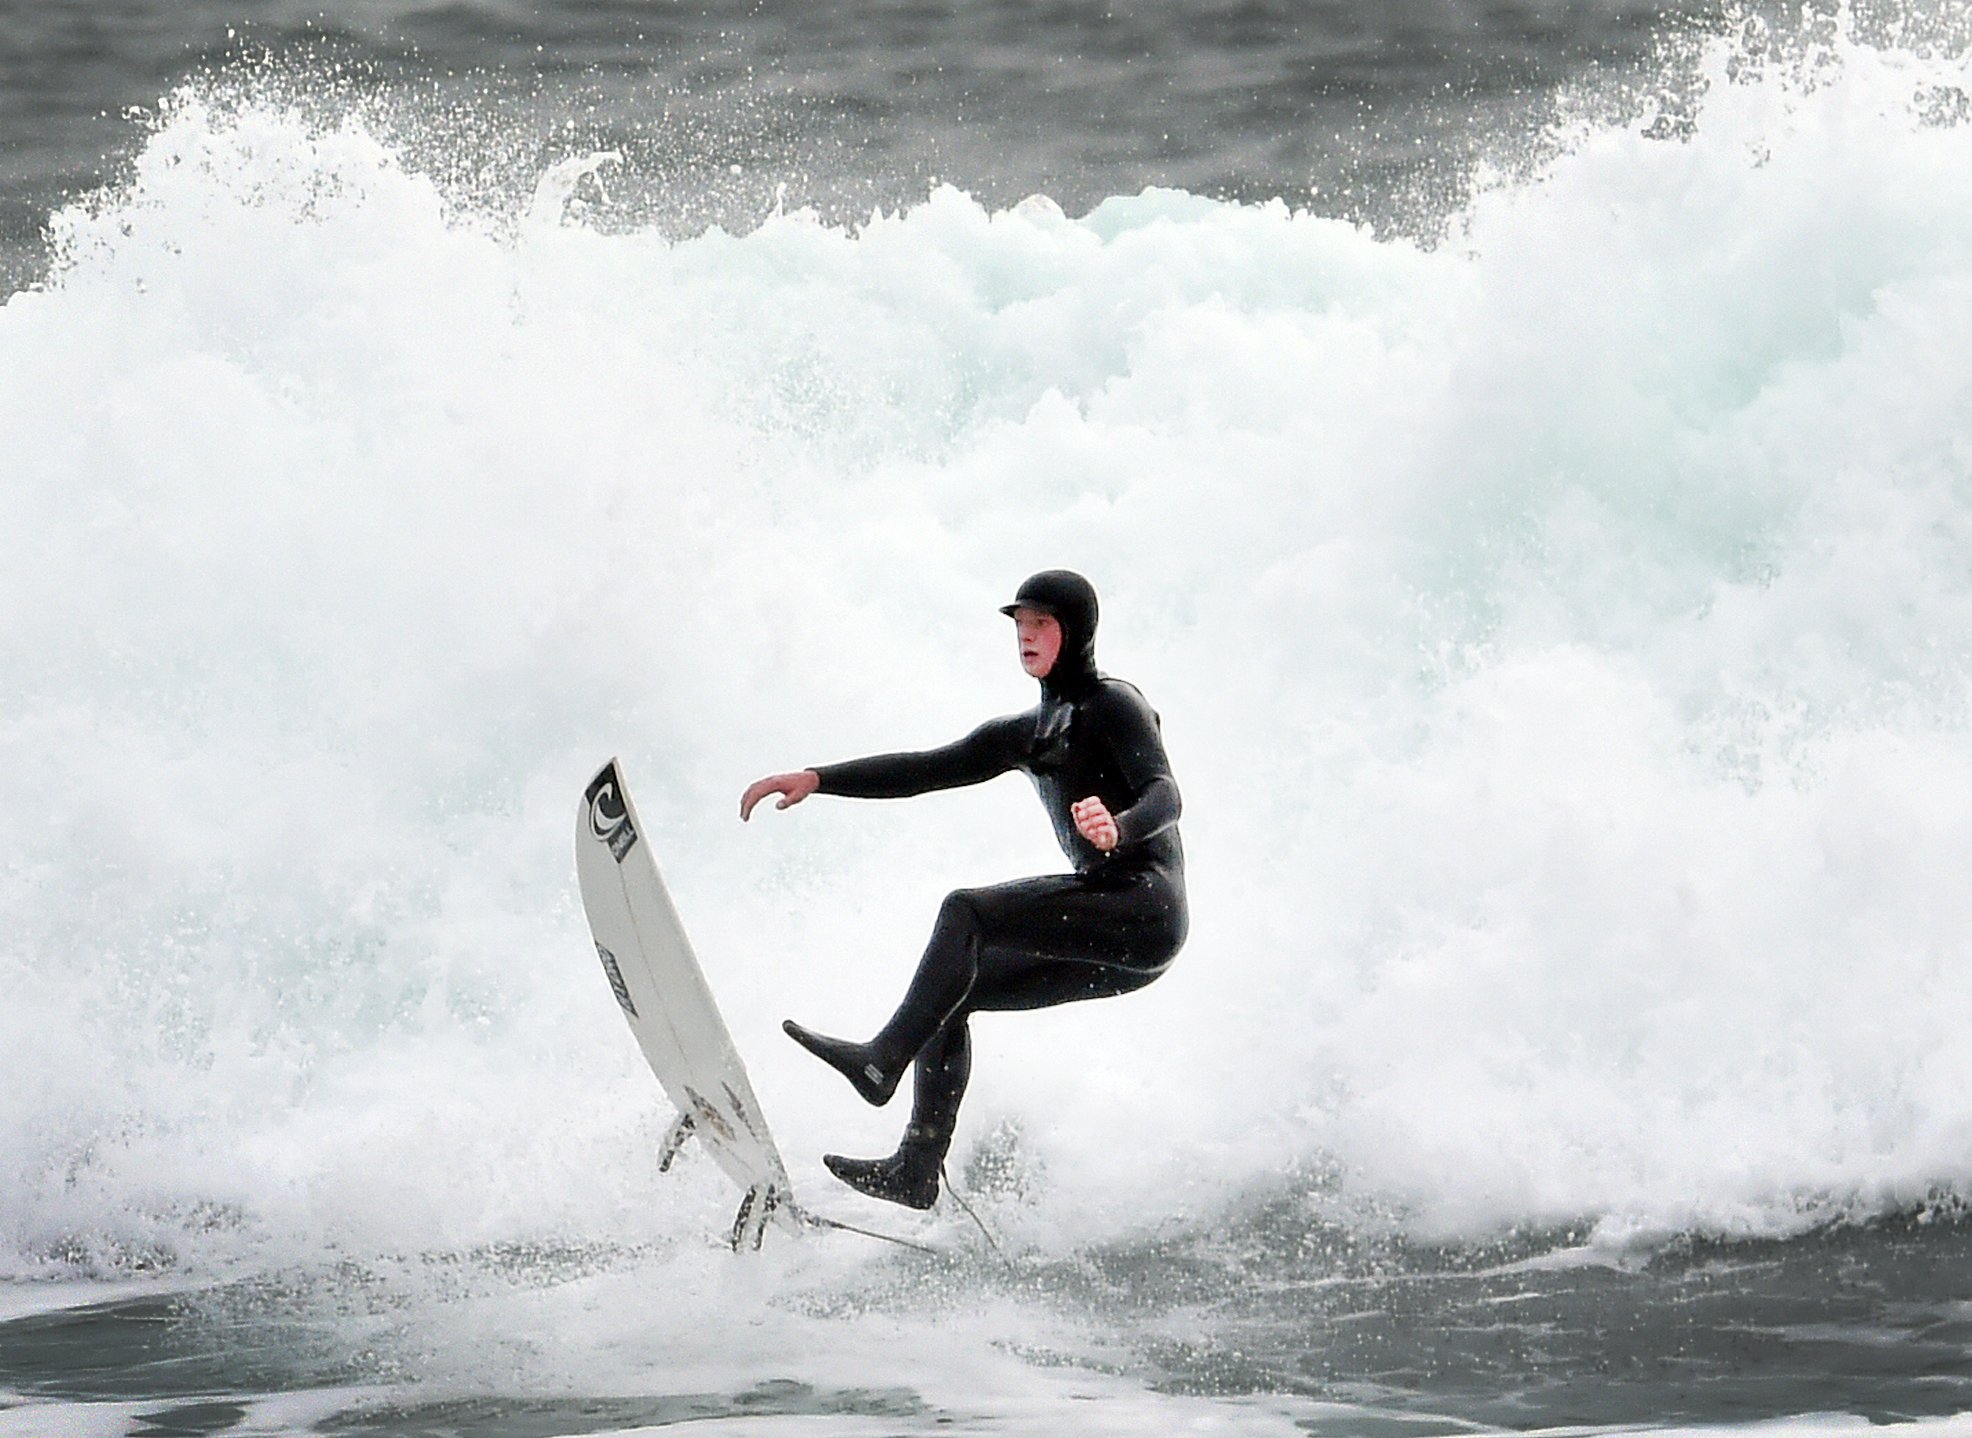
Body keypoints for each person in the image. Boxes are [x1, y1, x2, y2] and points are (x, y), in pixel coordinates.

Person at [740, 569, 1188, 1209]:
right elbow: (926, 769)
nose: (1026, 637)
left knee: (967, 913)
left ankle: (880, 1063)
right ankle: (916, 1169)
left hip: (1144, 907)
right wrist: (817, 777)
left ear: (1076, 631)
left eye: (1041, 624)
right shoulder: (1029, 735)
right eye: (1020, 624)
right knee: (953, 989)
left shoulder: (1114, 705)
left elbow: (1166, 793)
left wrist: (1120, 827)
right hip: (1113, 928)